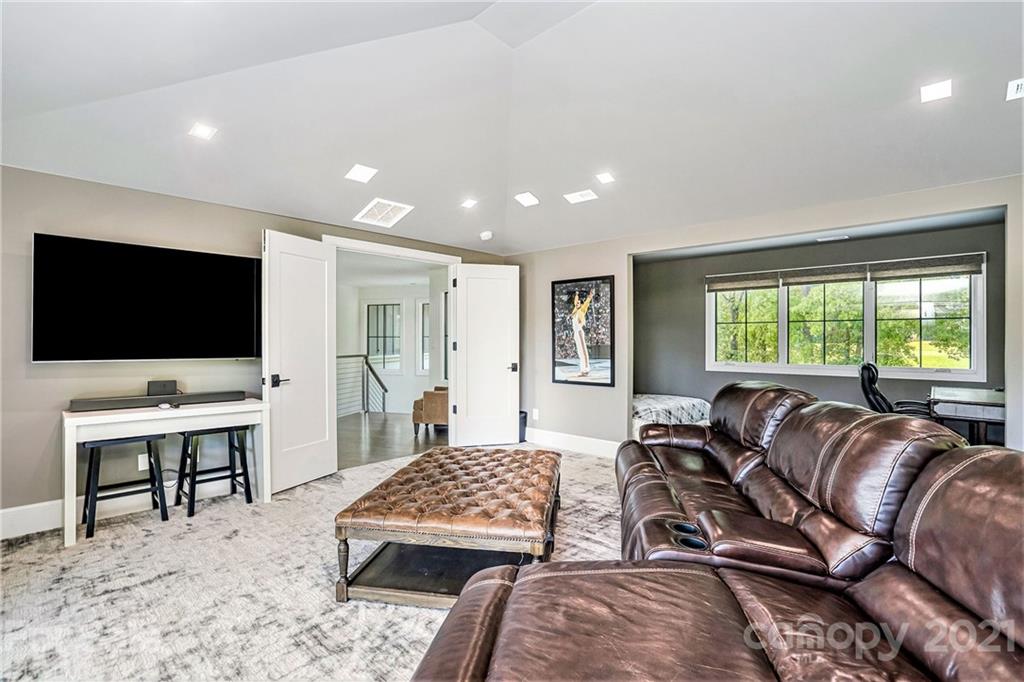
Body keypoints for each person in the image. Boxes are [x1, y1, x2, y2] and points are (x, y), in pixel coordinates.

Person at [570, 289, 595, 377]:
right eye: (576, 303)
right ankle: (583, 370)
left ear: (580, 305)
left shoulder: (581, 310)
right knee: (580, 351)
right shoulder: (574, 311)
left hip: (580, 331)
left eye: (578, 303)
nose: (577, 304)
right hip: (576, 333)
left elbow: (587, 303)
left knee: (583, 351)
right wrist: (576, 294)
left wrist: (590, 296)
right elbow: (575, 300)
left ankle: (586, 369)